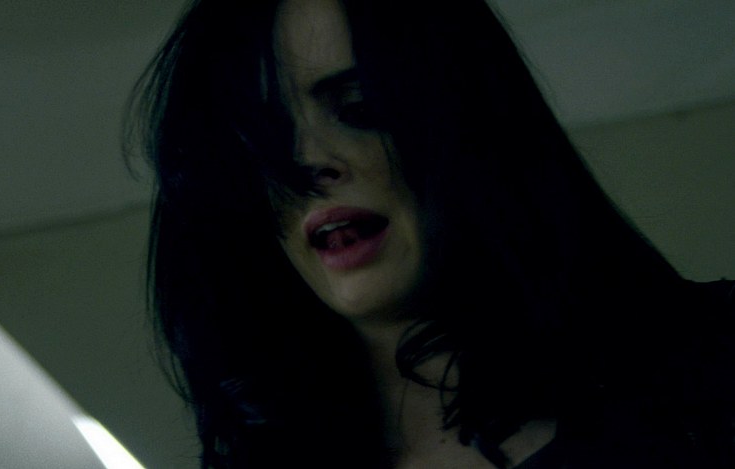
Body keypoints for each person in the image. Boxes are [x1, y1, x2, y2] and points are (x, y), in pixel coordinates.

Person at [126, 0, 735, 467]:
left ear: (470, 117)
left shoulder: (711, 364)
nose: (308, 161)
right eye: (262, 136)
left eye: (360, 106)